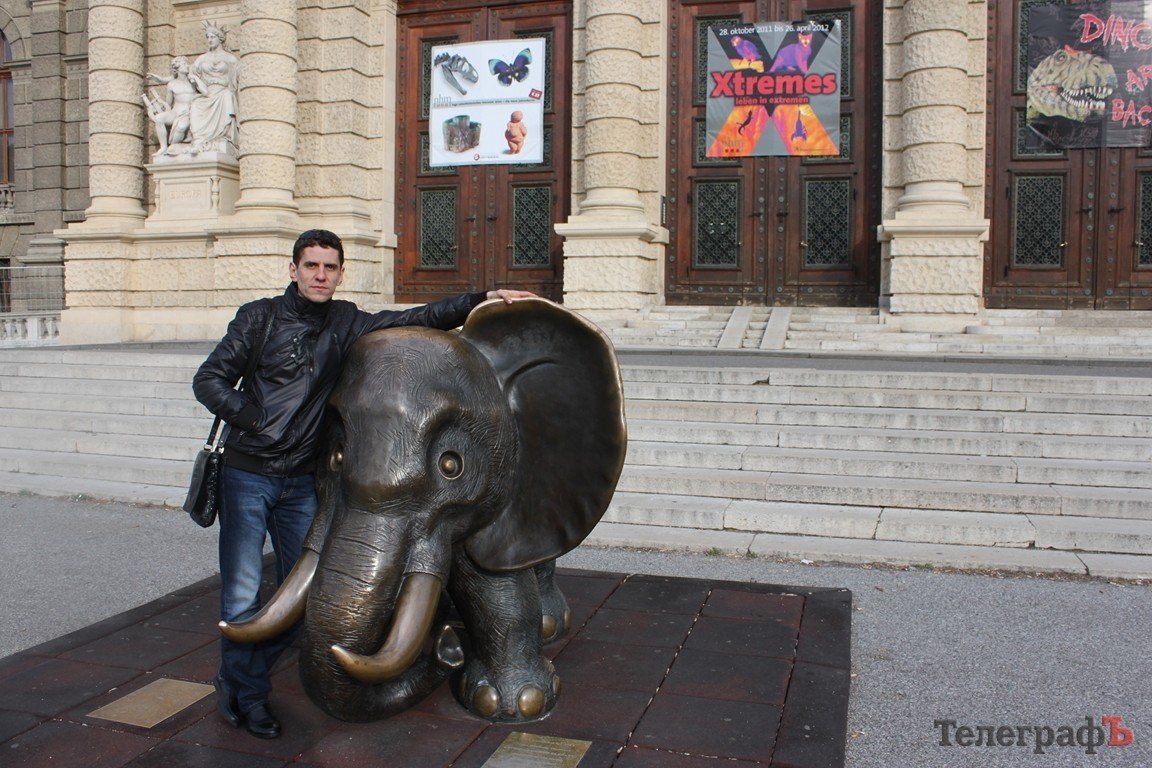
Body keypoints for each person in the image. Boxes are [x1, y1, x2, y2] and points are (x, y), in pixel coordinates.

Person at [192, 229, 534, 738]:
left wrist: (480, 299)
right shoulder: (258, 318)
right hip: (251, 475)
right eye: (311, 266)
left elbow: (411, 321)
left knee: (302, 594)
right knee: (244, 596)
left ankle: (245, 679)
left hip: (303, 483)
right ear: (294, 270)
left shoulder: (346, 323)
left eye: (330, 267)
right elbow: (209, 379)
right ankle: (246, 694)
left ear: (340, 273)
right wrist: (257, 418)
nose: (320, 275)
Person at [188, 21, 240, 155]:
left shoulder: (230, 59)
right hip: (207, 93)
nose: (209, 40)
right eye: (208, 37)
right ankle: (199, 140)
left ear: (220, 38)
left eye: (212, 37)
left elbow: (240, 77)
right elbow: (186, 73)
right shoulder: (202, 59)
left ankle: (223, 137)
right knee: (195, 104)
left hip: (223, 91)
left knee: (227, 96)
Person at [144, 56, 195, 155]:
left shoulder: (193, 81)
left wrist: (162, 79)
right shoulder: (172, 84)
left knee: (181, 127)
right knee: (159, 118)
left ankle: (173, 147)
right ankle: (163, 147)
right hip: (175, 112)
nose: (187, 66)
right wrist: (157, 109)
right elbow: (168, 103)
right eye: (184, 64)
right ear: (178, 69)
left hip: (188, 113)